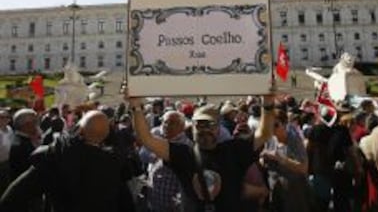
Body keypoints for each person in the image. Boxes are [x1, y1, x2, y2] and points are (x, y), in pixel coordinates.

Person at [126, 91, 279, 212]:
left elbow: (264, 133)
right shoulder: (183, 154)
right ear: (192, 128)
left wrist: (268, 102)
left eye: (210, 124)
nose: (205, 129)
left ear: (218, 128)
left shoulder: (234, 150)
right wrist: (135, 106)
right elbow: (146, 138)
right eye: (199, 125)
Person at [0, 110, 133, 212]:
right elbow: (126, 204)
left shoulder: (56, 156)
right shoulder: (114, 163)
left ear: (79, 129)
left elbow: (12, 197)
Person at [0, 109, 13, 196]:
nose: (3, 119)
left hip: (8, 162)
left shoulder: (9, 129)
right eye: (1, 117)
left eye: (5, 117)